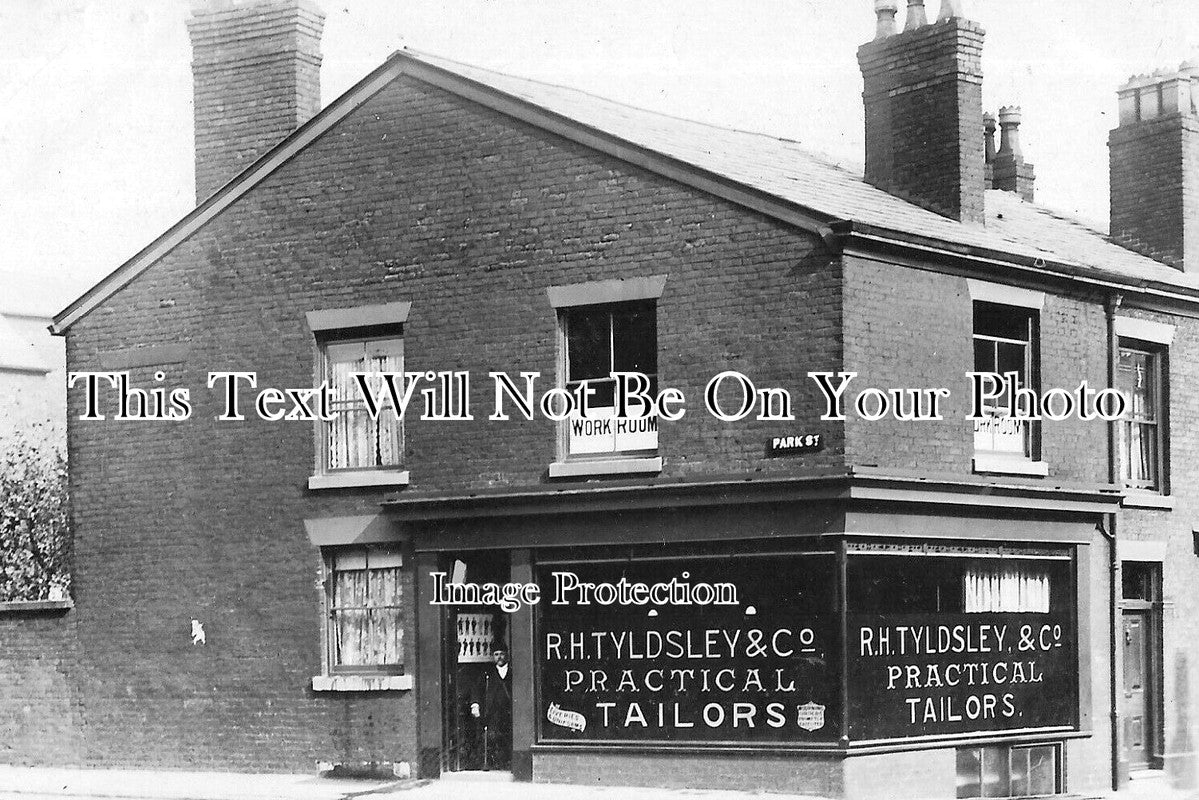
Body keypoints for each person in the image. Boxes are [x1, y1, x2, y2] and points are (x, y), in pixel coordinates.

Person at [469, 645, 512, 769]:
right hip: (493, 712)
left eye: (502, 654)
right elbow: (476, 689)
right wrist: (475, 705)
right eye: (496, 654)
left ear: (507, 655)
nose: (499, 657)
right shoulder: (487, 674)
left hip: (509, 711)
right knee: (492, 738)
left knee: (508, 738)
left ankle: (507, 764)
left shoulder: (513, 671)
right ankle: (492, 764)